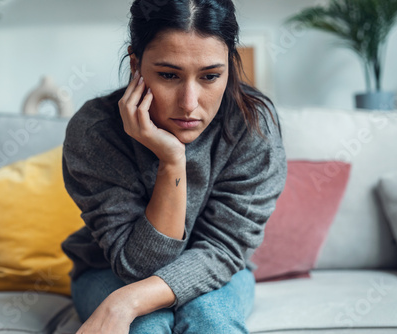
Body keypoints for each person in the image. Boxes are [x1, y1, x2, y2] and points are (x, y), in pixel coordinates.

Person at [60, 0, 287, 333]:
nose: (189, 103)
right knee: (146, 328)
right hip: (108, 270)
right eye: (169, 75)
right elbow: (137, 267)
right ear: (136, 64)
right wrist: (171, 162)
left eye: (210, 76)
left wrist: (126, 302)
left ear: (229, 64)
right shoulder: (95, 132)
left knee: (213, 321)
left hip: (216, 266)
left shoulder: (252, 127)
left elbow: (222, 249)